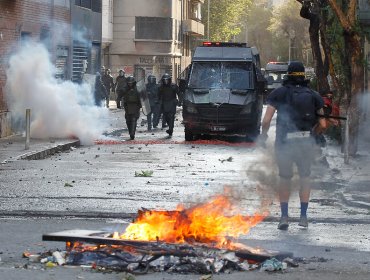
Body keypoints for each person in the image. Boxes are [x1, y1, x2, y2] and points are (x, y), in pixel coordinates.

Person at [260, 61, 326, 230]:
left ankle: (284, 217)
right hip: (305, 143)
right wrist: (313, 135)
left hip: (284, 143)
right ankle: (303, 217)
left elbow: (266, 120)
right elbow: (324, 124)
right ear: (304, 75)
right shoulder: (314, 95)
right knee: (305, 177)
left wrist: (264, 135)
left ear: (287, 74)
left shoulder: (279, 93)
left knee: (285, 178)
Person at [122, 76, 142, 140]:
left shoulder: (138, 89)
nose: (130, 84)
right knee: (128, 121)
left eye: (131, 83)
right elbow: (121, 95)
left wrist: (141, 105)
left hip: (135, 106)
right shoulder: (125, 89)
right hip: (127, 106)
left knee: (133, 120)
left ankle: (132, 134)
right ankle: (130, 132)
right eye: (129, 83)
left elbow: (141, 97)